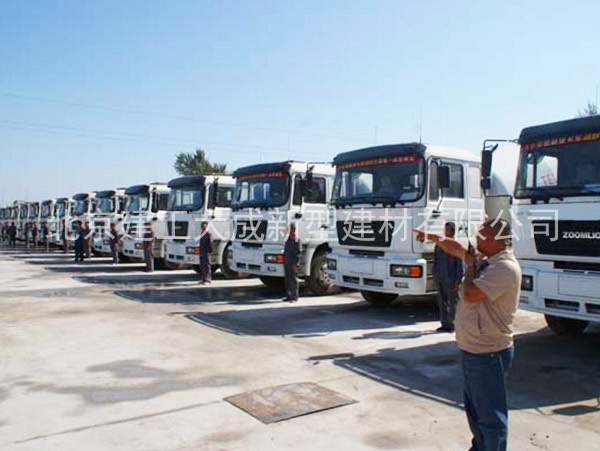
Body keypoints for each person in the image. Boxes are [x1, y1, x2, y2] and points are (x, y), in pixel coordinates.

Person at [415, 219, 521, 451]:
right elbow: (456, 248)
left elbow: (472, 294)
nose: (476, 239)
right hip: (473, 350)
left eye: (481, 236)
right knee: (475, 412)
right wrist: (432, 237)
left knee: (491, 417)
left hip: (489, 353)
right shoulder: (486, 259)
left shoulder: (504, 268)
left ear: (495, 240)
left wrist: (470, 270)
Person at [432, 222, 463, 332]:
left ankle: (452, 323)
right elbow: (436, 260)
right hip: (440, 277)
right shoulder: (440, 244)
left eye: (448, 230)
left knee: (453, 301)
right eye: (445, 230)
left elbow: (459, 265)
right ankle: (444, 323)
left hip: (451, 278)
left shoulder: (456, 245)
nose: (446, 232)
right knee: (442, 301)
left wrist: (458, 281)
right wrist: (435, 274)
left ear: (453, 231)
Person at [283, 223, 301, 302]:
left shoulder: (297, 239)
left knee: (294, 280)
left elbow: (298, 252)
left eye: (289, 229)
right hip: (287, 262)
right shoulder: (288, 239)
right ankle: (289, 295)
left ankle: (294, 296)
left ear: (293, 229)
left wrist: (295, 263)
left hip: (293, 263)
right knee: (288, 280)